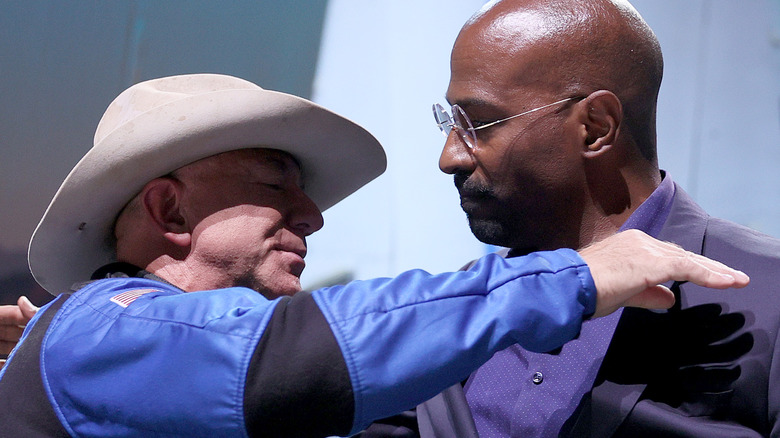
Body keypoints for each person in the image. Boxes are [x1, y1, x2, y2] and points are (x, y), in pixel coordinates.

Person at [0, 73, 747, 437]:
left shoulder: (104, 342)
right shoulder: (100, 334)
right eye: (273, 185)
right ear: (169, 211)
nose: (314, 215)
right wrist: (576, 276)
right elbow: (290, 356)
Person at [367, 0, 780, 437]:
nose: (449, 158)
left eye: (479, 124)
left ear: (596, 127)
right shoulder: (462, 311)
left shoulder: (769, 297)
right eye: (450, 122)